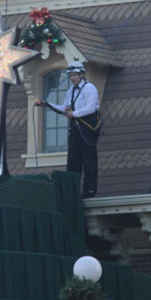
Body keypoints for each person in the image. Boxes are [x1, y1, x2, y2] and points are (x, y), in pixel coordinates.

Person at [35, 62, 101, 198]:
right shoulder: (71, 90)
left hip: (88, 127)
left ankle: (89, 190)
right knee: (73, 159)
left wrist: (74, 114)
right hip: (75, 127)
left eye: (75, 75)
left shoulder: (89, 88)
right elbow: (64, 108)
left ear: (82, 75)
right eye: (71, 75)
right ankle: (72, 190)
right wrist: (47, 104)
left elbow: (92, 107)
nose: (72, 78)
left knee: (89, 159)